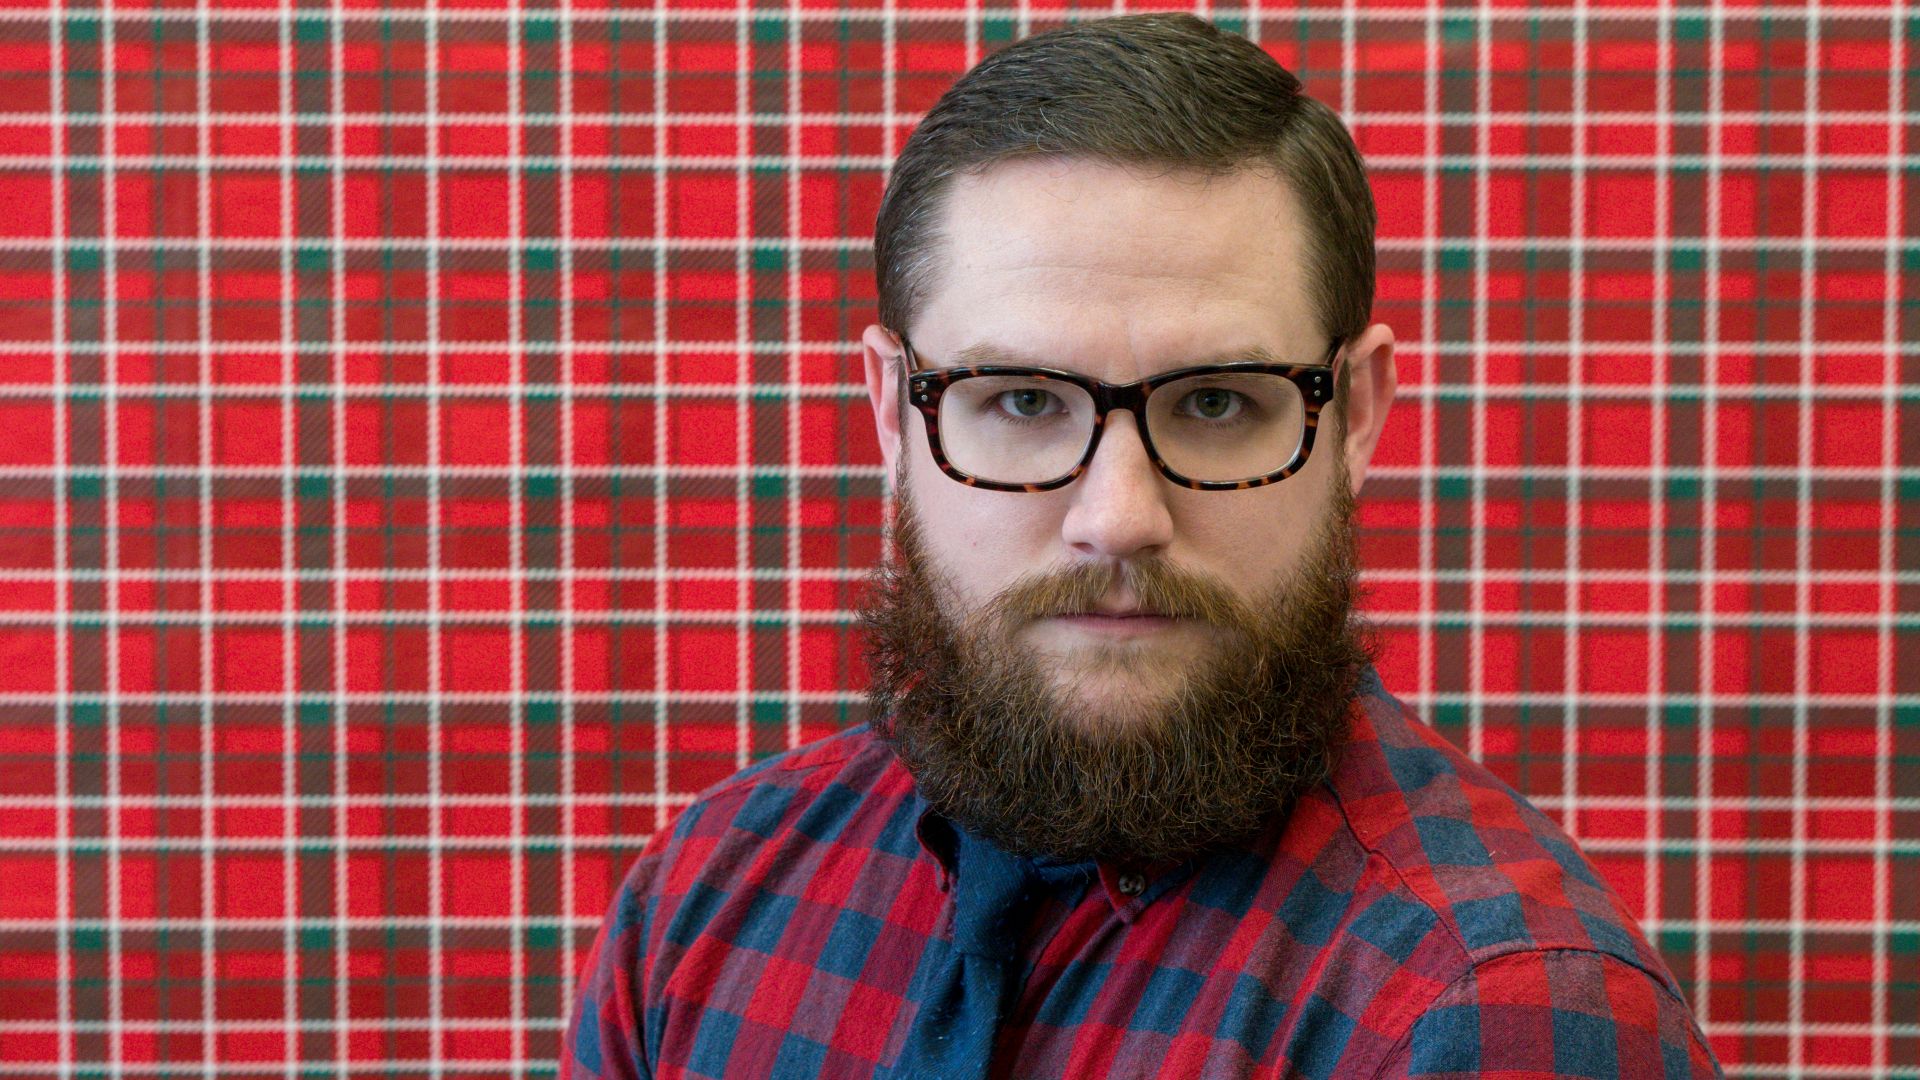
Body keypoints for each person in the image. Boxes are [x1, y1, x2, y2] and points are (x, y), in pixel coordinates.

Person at [560, 13, 1723, 1078]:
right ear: (892, 411)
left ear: (1355, 415)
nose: (1119, 516)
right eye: (1021, 402)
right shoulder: (701, 902)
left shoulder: (1492, 1020)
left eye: (1216, 403)